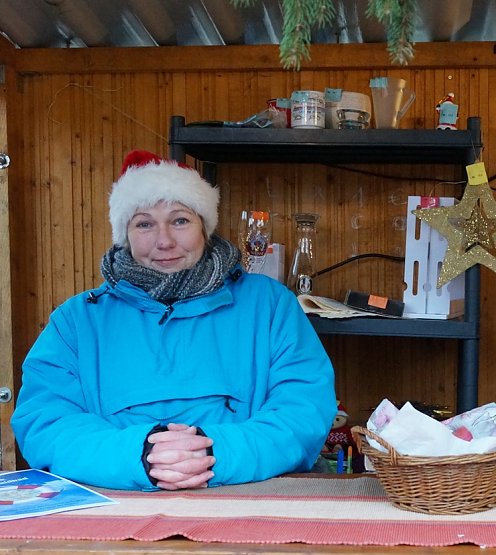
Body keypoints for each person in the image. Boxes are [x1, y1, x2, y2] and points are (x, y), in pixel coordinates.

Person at [12, 150, 337, 491]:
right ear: (125, 234)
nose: (164, 241)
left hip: (250, 497)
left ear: (204, 227)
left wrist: (215, 453)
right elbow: (46, 421)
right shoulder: (76, 321)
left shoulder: (270, 305)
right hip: (116, 502)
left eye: (180, 220)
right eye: (144, 224)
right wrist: (140, 455)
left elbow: (303, 409)